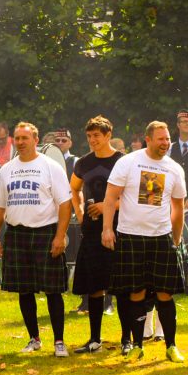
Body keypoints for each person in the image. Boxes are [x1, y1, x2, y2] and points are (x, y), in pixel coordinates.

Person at [102, 121, 186, 362]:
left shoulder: (174, 168)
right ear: (148, 139)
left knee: (165, 293)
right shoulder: (128, 162)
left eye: (167, 139)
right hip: (131, 235)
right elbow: (110, 197)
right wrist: (107, 229)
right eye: (161, 139)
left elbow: (178, 207)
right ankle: (137, 345)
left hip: (161, 237)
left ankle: (171, 346)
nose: (165, 143)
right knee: (136, 292)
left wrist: (176, 237)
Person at [0, 122, 71, 357]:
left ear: (36, 140)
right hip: (16, 234)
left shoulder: (51, 166)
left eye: (25, 138)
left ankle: (59, 342)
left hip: (46, 233)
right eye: (17, 138)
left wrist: (60, 236)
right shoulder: (6, 170)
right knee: (24, 290)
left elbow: (65, 204)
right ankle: (34, 338)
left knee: (53, 290)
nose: (20, 142)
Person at [69, 116, 128, 354]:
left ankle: (127, 340)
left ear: (108, 135)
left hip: (120, 228)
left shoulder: (123, 161)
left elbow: (132, 195)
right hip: (92, 230)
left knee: (122, 286)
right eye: (89, 136)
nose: (92, 140)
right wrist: (80, 212)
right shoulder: (83, 163)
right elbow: (73, 189)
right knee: (94, 286)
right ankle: (94, 339)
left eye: (97, 135)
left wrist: (107, 206)